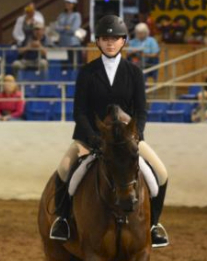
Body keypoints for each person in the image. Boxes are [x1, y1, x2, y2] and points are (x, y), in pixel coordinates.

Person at [49, 15, 170, 248]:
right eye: (105, 38)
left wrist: (135, 135)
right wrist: (93, 138)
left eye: (115, 38)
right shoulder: (87, 72)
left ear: (124, 41)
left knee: (161, 174)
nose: (110, 43)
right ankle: (62, 220)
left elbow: (141, 111)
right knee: (64, 169)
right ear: (98, 42)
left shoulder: (134, 73)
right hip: (90, 138)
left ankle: (154, 225)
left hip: (127, 141)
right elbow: (80, 112)